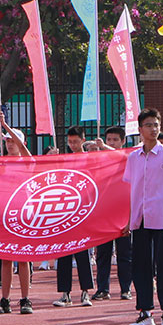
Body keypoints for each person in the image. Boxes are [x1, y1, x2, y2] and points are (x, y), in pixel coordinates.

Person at [124, 108, 163, 325]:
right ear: (140, 130)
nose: (153, 129)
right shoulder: (133, 158)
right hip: (140, 220)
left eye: (156, 125)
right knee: (141, 267)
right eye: (148, 125)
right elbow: (132, 190)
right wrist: (129, 220)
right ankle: (145, 312)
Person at [0, 112, 34, 315]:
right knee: (6, 259)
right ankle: (5, 299)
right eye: (6, 141)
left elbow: (23, 149)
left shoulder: (27, 161)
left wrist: (5, 126)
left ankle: (25, 299)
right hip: (4, 214)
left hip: (23, 214)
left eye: (12, 141)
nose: (9, 144)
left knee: (23, 258)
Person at [52, 126, 95, 307]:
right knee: (64, 253)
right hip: (65, 212)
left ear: (83, 141)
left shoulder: (90, 159)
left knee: (82, 253)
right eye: (70, 142)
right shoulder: (63, 159)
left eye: (76, 142)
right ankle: (65, 293)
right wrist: (53, 161)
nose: (72, 145)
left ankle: (85, 292)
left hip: (83, 212)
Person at [94, 125, 132, 302]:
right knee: (103, 255)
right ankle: (103, 288)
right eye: (109, 139)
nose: (111, 143)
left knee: (125, 255)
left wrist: (104, 147)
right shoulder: (100, 160)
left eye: (115, 140)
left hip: (123, 214)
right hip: (104, 215)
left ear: (123, 141)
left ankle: (126, 288)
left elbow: (121, 155)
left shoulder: (128, 158)